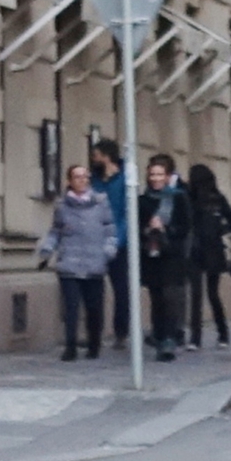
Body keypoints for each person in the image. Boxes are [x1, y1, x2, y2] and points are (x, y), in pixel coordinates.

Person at [37, 164, 117, 361]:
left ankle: (94, 344)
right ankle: (70, 345)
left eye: (85, 177)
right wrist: (48, 250)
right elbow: (56, 230)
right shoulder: (62, 205)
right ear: (69, 181)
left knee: (94, 308)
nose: (82, 180)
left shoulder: (100, 202)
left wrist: (108, 250)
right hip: (69, 263)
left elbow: (110, 229)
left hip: (94, 262)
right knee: (70, 308)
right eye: (77, 177)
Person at [138, 154, 193, 361]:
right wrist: (147, 229)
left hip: (172, 255)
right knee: (157, 298)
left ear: (167, 176)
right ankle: (159, 335)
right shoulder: (143, 200)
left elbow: (186, 226)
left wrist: (166, 228)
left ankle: (170, 338)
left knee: (170, 297)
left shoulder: (178, 197)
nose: (155, 178)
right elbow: (136, 226)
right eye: (152, 174)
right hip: (151, 255)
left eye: (160, 174)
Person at [183, 163, 231, 349]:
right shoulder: (217, 198)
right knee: (212, 294)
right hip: (213, 250)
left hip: (197, 250)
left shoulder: (190, 197)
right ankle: (223, 333)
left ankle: (196, 339)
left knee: (197, 295)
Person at [89, 141, 132, 345]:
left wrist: (118, 240)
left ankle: (121, 332)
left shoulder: (124, 180)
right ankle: (94, 332)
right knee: (94, 288)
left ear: (107, 156)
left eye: (96, 155)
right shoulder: (94, 180)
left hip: (119, 243)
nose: (93, 159)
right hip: (95, 240)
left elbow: (126, 213)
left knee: (121, 288)